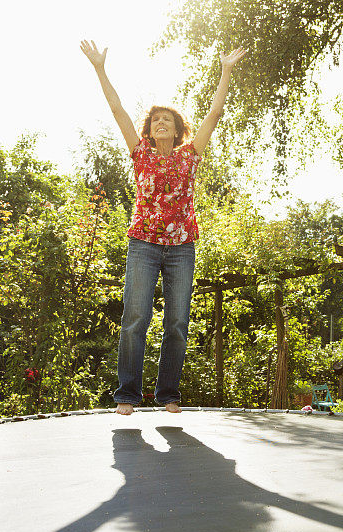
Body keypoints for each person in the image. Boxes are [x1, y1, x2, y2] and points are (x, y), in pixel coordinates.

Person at [79, 39, 246, 415]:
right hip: (143, 243)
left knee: (177, 322)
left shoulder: (190, 156)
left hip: (181, 246)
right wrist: (100, 69)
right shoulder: (140, 153)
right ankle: (127, 394)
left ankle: (168, 393)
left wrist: (225, 71)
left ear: (177, 130)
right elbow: (117, 109)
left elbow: (214, 115)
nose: (160, 122)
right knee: (135, 316)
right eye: (155, 120)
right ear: (150, 131)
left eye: (167, 119)